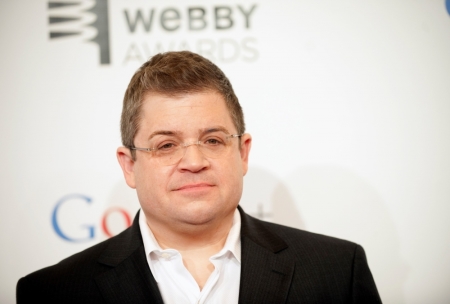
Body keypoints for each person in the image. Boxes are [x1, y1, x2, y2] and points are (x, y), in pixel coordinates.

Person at [17, 51, 382, 303]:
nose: (193, 161)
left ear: (242, 152)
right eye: (166, 145)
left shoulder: (337, 272)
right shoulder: (53, 292)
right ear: (129, 165)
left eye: (212, 140)